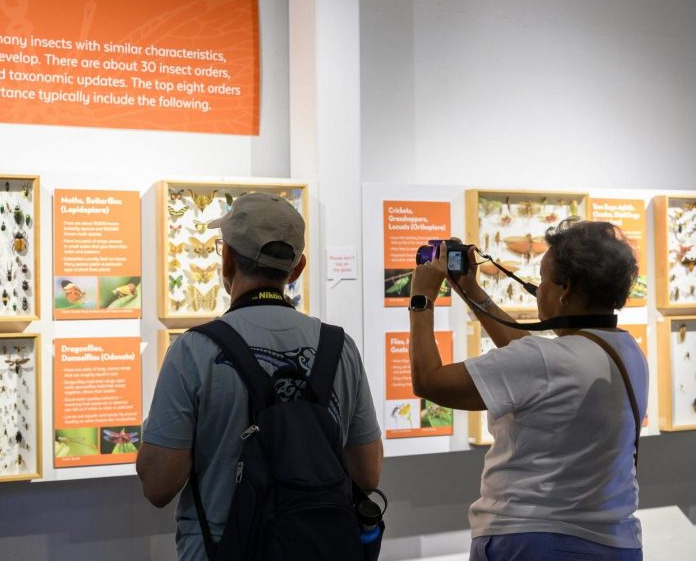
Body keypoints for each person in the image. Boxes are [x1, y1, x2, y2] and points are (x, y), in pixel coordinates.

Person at [137, 192, 383, 561]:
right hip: (317, 547)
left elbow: (158, 486)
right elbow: (367, 474)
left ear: (227, 257)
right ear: (297, 268)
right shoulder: (339, 348)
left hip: (224, 549)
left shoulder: (194, 352)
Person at [408, 220, 647, 560]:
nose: (539, 288)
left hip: (534, 540)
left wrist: (421, 300)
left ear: (566, 289)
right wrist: (472, 293)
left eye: (544, 278)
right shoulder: (626, 351)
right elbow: (533, 356)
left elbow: (429, 381)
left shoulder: (546, 361)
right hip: (615, 543)